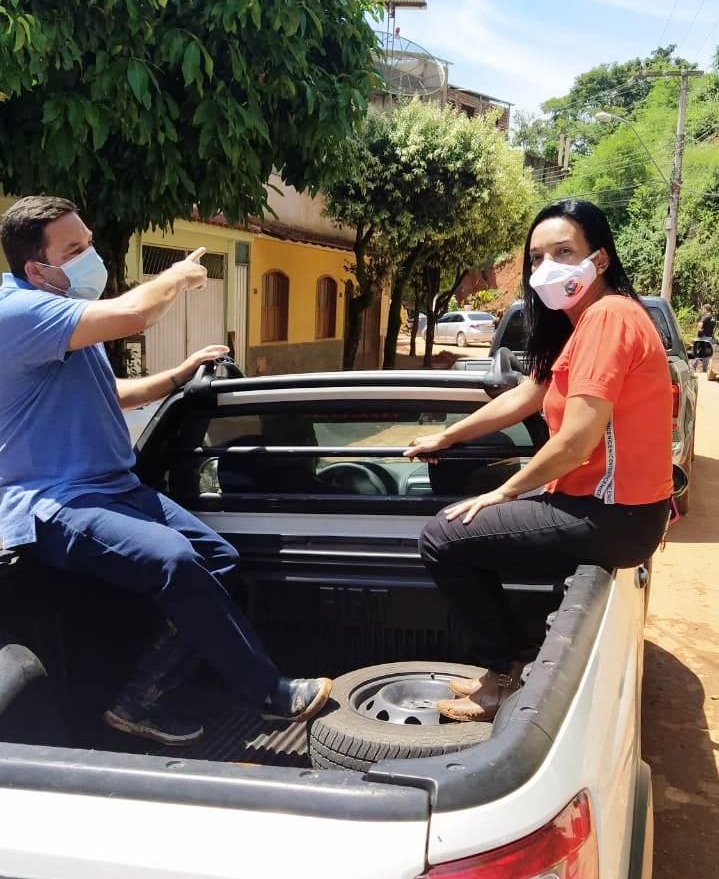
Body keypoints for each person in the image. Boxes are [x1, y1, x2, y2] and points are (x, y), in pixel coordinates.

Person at [0, 196, 332, 745]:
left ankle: (141, 700)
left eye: (89, 242)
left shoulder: (63, 313)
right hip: (53, 500)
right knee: (173, 559)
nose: (91, 256)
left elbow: (109, 393)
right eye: (75, 249)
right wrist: (176, 276)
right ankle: (265, 690)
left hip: (114, 488)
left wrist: (175, 376)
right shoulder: (19, 311)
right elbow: (134, 313)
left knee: (218, 558)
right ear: (36, 267)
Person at [405, 199, 672, 722]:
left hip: (612, 515)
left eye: (564, 251)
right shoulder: (584, 323)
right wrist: (447, 436)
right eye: (537, 257)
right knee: (479, 487)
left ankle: (504, 676)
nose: (547, 267)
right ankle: (506, 668)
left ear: (599, 258)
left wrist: (505, 493)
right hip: (608, 508)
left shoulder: (609, 317)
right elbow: (528, 395)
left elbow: (576, 441)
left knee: (443, 538)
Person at [692, 304, 715, 373]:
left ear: (706, 309)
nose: (702, 311)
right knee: (706, 354)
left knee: (698, 352)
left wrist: (699, 329)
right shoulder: (713, 318)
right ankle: (705, 370)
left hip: (703, 337)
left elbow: (700, 324)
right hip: (709, 337)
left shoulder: (705, 317)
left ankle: (693, 367)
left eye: (703, 309)